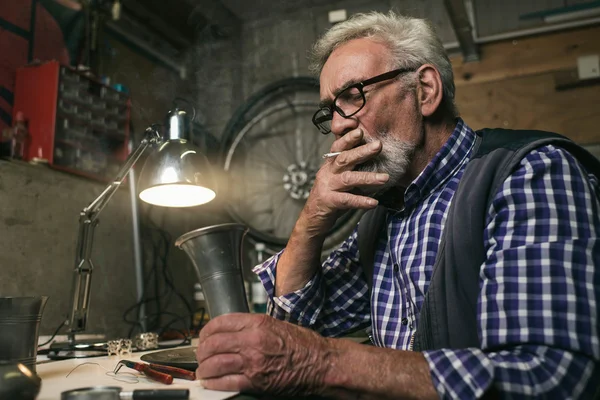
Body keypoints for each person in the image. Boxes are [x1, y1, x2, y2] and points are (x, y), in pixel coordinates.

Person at [195, 11, 600, 398]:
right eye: (329, 110)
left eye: (352, 96)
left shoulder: (530, 173)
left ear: (424, 91)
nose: (337, 124)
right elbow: (295, 327)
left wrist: (324, 362)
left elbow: (550, 378)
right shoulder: (388, 211)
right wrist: (311, 221)